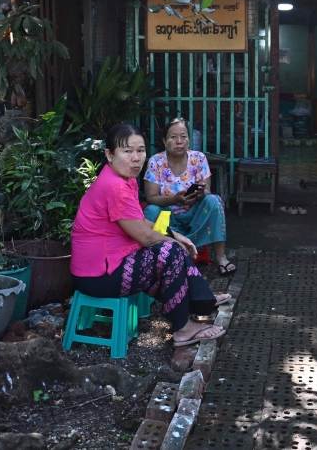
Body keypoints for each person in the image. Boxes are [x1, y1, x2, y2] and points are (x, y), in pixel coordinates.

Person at [70, 124, 228, 347]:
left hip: (107, 267)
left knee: (168, 249)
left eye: (140, 150)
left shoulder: (125, 180)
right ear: (109, 155)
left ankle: (201, 302)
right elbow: (145, 237)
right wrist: (175, 242)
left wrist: (173, 233)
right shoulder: (114, 185)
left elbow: (138, 220)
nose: (136, 158)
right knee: (169, 252)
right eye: (127, 151)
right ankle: (186, 325)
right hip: (98, 276)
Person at [143, 117, 236, 274]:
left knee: (214, 200)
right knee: (151, 210)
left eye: (183, 136)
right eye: (173, 137)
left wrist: (199, 193)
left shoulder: (198, 159)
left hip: (195, 216)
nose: (179, 141)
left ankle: (221, 257)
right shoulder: (155, 162)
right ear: (165, 141)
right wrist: (174, 199)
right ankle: (153, 258)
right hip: (168, 219)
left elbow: (207, 191)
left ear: (189, 140)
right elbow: (151, 197)